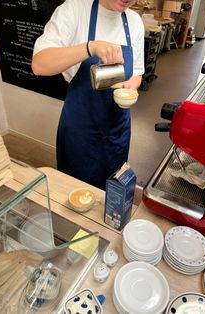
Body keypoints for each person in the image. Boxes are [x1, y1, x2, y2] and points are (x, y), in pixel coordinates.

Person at [32, 0, 144, 190]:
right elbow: (39, 64)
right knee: (73, 188)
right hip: (80, 128)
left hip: (117, 129)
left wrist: (131, 86)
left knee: (111, 190)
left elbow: (137, 73)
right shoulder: (74, 10)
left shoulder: (134, 22)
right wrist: (89, 47)